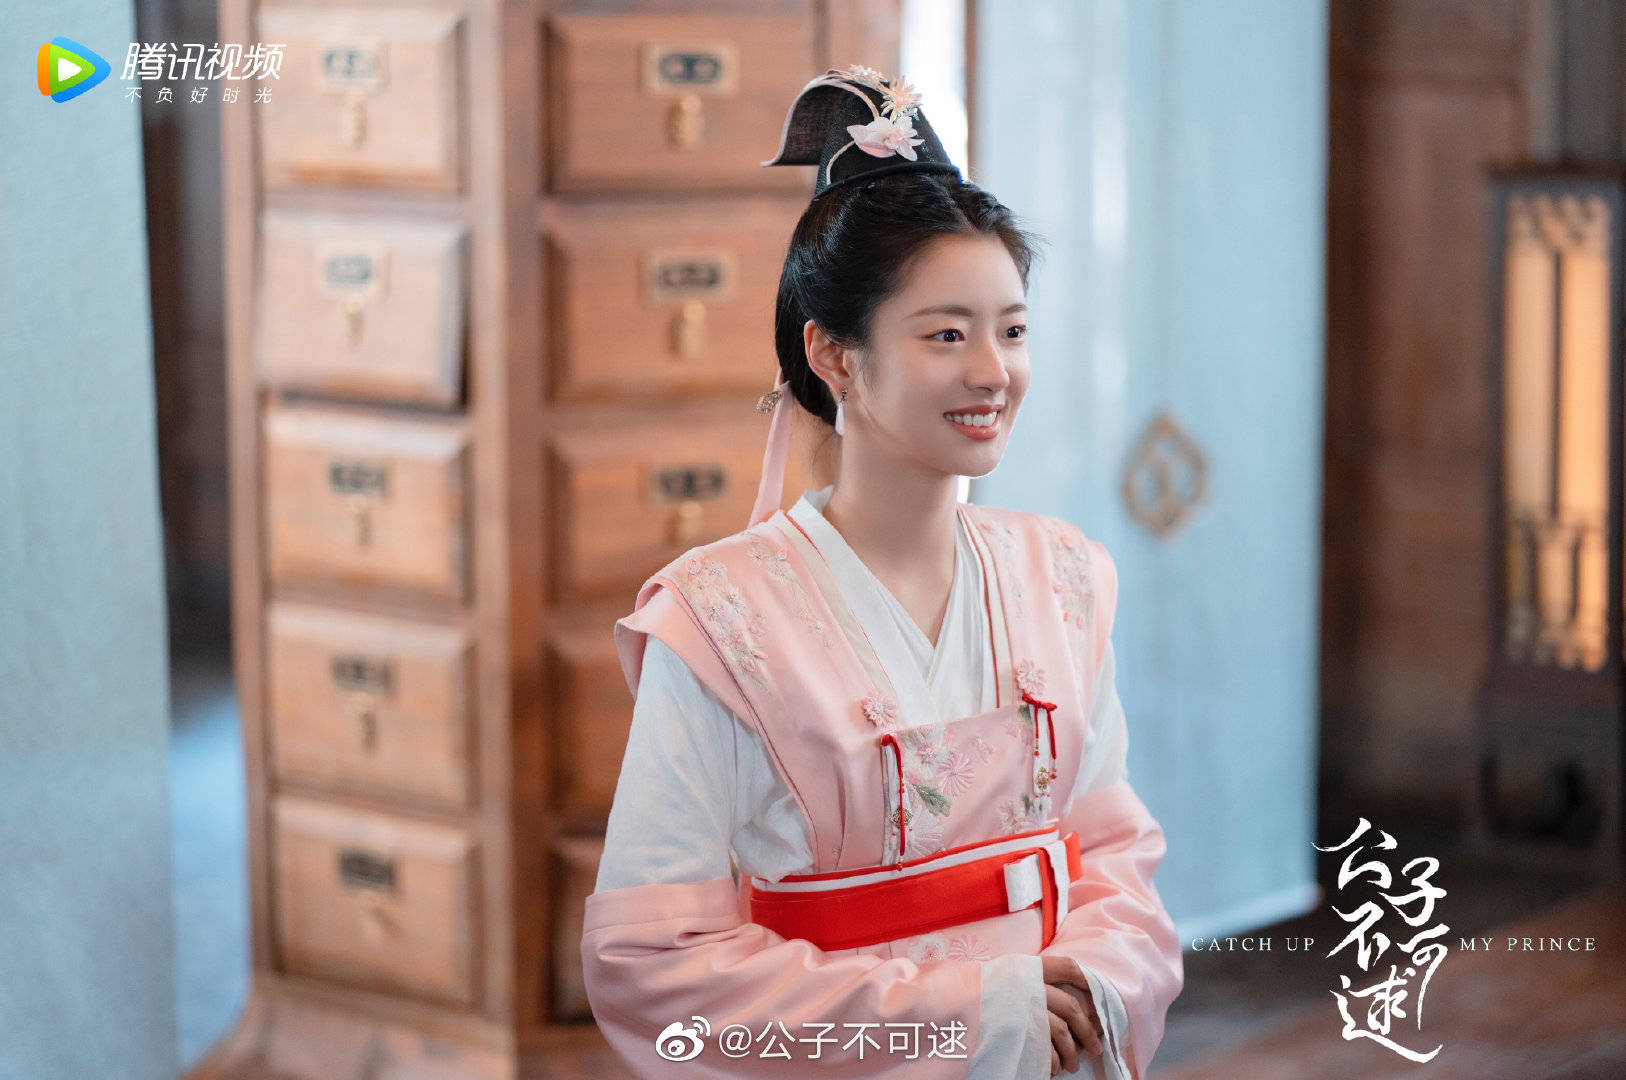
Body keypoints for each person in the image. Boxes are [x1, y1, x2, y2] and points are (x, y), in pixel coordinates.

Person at [580, 65, 1182, 1079]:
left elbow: (1112, 853)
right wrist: (972, 1019)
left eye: (1012, 330)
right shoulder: (717, 623)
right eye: (946, 334)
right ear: (834, 356)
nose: (992, 371)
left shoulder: (1063, 580)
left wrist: (1088, 991)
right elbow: (653, 963)